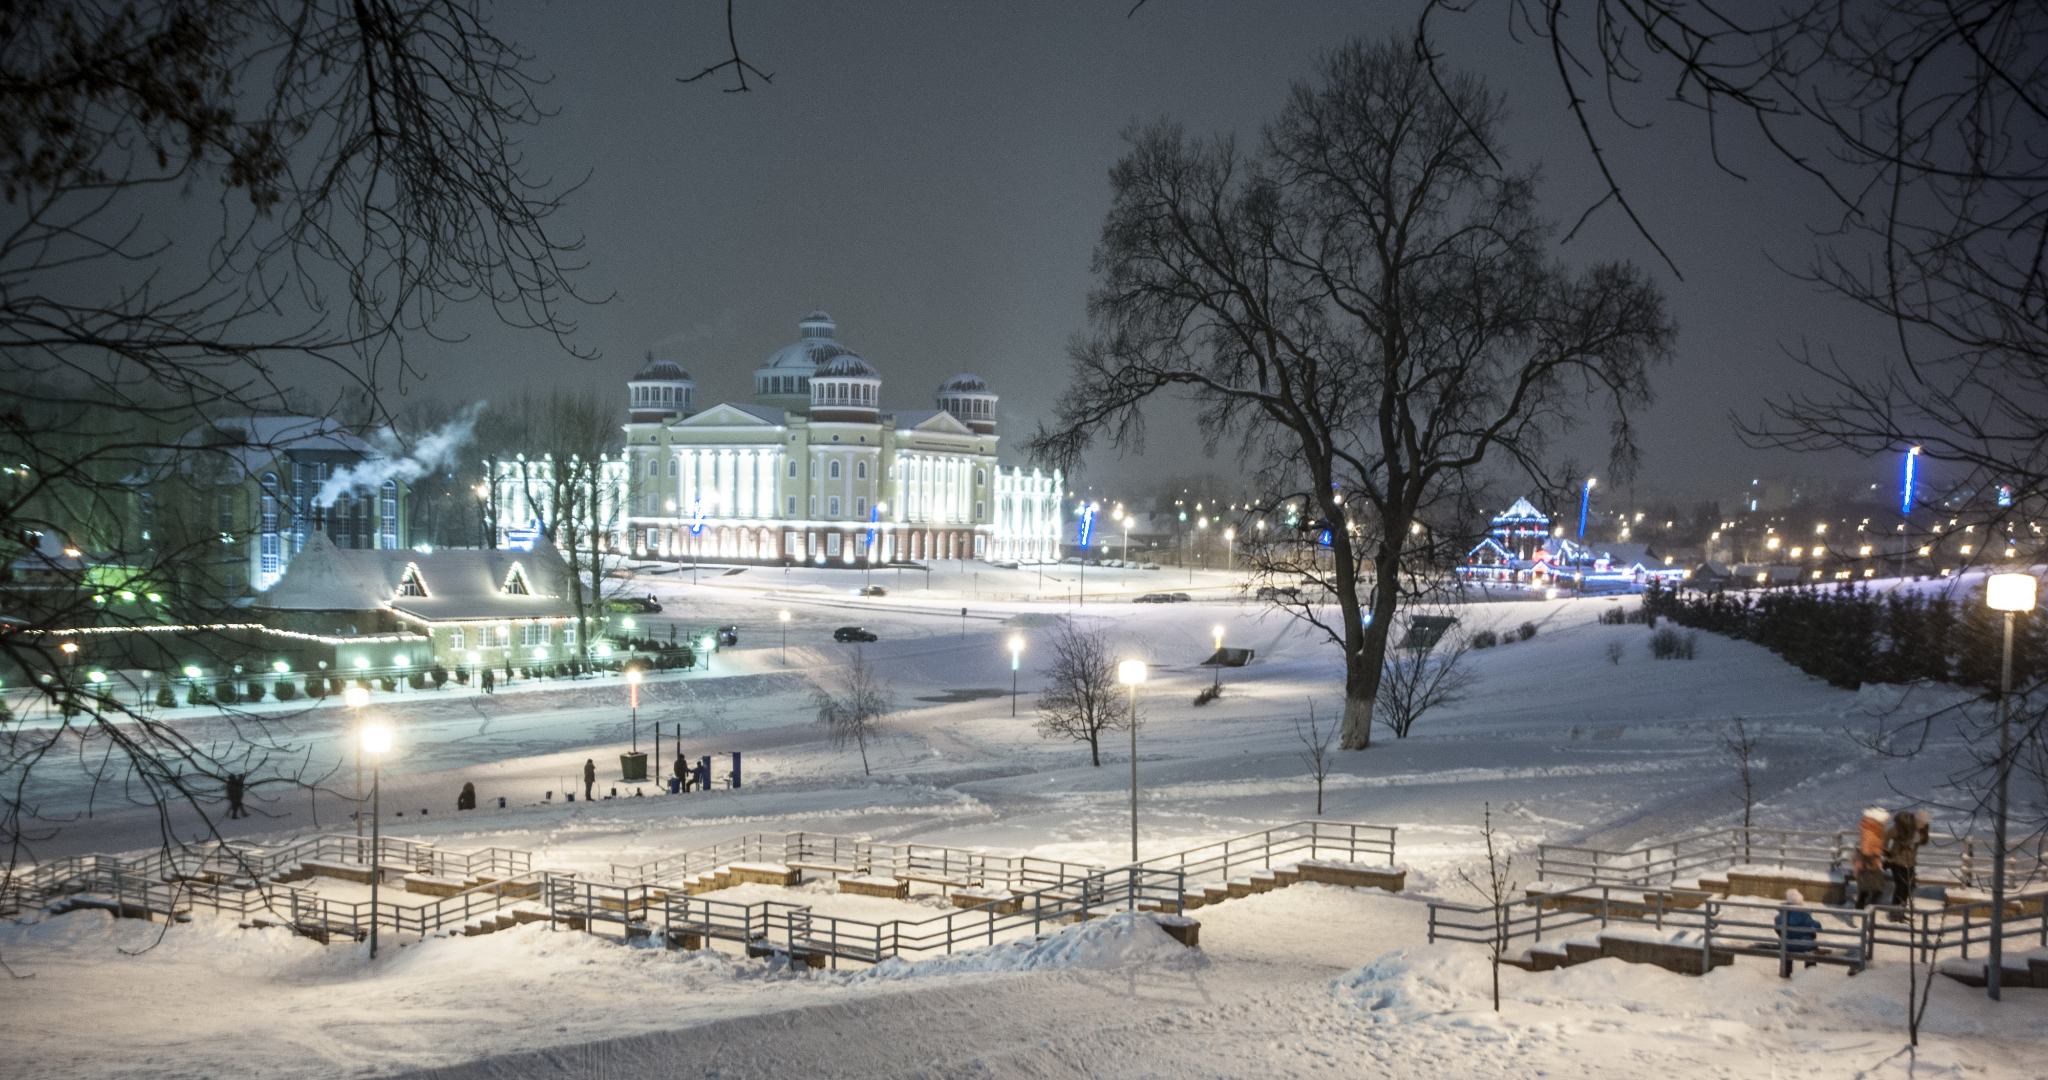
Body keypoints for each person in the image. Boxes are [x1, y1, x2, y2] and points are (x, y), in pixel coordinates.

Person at [1886, 809, 1930, 921]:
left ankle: (1901, 912)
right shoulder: (1902, 827)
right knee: (1901, 887)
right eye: (1921, 822)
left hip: (1909, 863)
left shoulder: (1921, 831)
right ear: (1916, 820)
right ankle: (1895, 914)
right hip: (1897, 861)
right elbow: (1886, 836)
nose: (1923, 825)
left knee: (1909, 887)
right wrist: (1887, 855)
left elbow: (1916, 845)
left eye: (1925, 823)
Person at [1853, 807, 1889, 909]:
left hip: (1870, 865)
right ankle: (1861, 915)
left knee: (1867, 892)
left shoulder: (1874, 830)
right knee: (1869, 892)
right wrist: (1878, 852)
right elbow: (1866, 850)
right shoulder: (1870, 831)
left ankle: (1862, 914)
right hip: (1867, 865)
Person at [1775, 888, 1822, 964]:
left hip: (1787, 945)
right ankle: (1810, 969)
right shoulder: (1804, 915)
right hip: (1805, 945)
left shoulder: (1782, 914)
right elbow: (1816, 927)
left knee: (1785, 948)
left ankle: (1786, 970)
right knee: (1812, 948)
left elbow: (1777, 926)